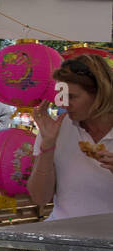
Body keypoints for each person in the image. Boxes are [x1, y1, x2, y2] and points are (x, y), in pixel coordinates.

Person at [27, 54, 113, 220]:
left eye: (72, 96)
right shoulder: (55, 129)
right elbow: (40, 198)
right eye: (61, 96)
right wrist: (48, 144)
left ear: (100, 94)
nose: (64, 104)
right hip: (65, 234)